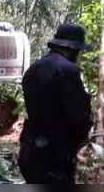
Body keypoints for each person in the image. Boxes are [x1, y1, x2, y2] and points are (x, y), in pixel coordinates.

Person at [18, 23, 94, 184]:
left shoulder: (33, 69)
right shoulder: (68, 70)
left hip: (30, 150)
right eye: (78, 50)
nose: (78, 54)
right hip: (55, 156)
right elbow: (79, 113)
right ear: (72, 49)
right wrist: (80, 139)